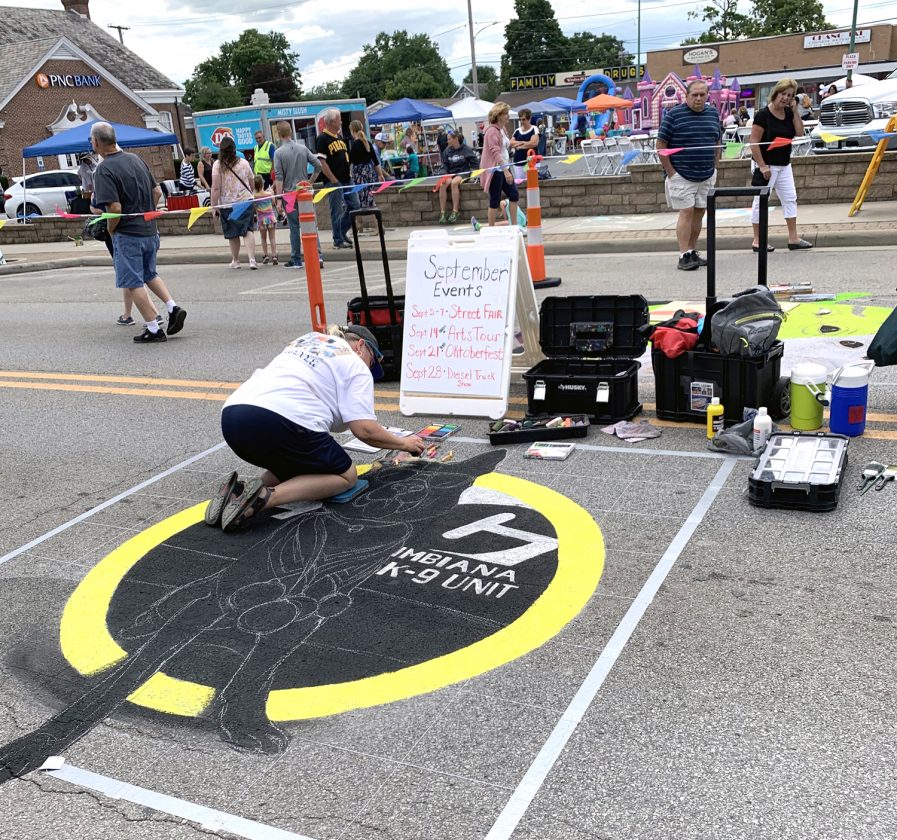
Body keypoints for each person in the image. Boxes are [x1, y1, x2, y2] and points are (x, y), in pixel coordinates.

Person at [205, 324, 427, 533]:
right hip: (282, 418)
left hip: (233, 417)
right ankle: (265, 497)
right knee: (346, 475)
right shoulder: (355, 363)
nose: (370, 370)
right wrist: (404, 443)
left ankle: (238, 493)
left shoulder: (308, 340)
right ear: (361, 346)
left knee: (297, 463)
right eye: (372, 362)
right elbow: (365, 430)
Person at [90, 121, 187, 344]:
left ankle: (153, 328)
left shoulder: (103, 169)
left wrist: (111, 230)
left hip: (128, 234)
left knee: (133, 282)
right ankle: (172, 308)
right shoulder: (136, 159)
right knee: (149, 273)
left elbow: (114, 208)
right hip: (149, 229)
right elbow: (156, 192)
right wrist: (147, 213)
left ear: (96, 142)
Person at [656, 79, 722, 271]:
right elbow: (661, 145)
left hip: (707, 173)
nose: (699, 98)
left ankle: (692, 250)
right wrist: (671, 172)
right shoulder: (674, 115)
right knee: (686, 212)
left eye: (703, 95)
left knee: (700, 212)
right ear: (686, 96)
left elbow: (717, 139)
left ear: (707, 95)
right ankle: (683, 254)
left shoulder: (712, 113)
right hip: (681, 173)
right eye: (695, 95)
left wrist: (716, 164)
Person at [749, 77, 813, 252]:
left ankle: (793, 238)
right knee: (761, 201)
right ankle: (757, 239)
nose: (785, 98)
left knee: (790, 198)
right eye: (783, 94)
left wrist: (795, 112)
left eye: (790, 95)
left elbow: (799, 133)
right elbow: (754, 143)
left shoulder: (789, 113)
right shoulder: (763, 115)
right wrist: (762, 166)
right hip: (766, 164)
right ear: (776, 94)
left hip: (784, 163)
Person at [272, 120, 323, 269]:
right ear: (290, 132)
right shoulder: (303, 148)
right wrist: (310, 182)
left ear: (279, 134)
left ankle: (296, 259)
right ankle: (317, 255)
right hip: (305, 192)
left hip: (289, 194)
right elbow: (318, 166)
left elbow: (279, 178)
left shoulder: (279, 153)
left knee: (294, 227)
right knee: (311, 226)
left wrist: (279, 198)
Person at [316, 108, 360, 250]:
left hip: (347, 179)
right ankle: (337, 239)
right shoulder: (322, 139)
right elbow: (322, 162)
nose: (341, 121)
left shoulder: (340, 137)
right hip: (334, 181)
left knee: (355, 205)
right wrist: (333, 179)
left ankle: (342, 231)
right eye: (339, 119)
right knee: (336, 210)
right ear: (332, 121)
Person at [211, 135, 258, 269]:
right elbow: (251, 182)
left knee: (233, 233)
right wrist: (249, 194)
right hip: (245, 201)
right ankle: (252, 259)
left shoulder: (218, 166)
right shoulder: (244, 163)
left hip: (228, 204)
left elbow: (215, 188)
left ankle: (236, 260)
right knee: (248, 230)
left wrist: (214, 206)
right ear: (234, 149)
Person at [473, 101, 519, 231]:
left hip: (505, 166)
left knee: (514, 194)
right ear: (498, 115)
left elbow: (505, 147)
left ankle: (514, 226)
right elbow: (495, 153)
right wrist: (506, 171)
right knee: (494, 200)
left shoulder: (503, 129)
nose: (508, 116)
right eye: (505, 114)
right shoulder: (491, 131)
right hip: (495, 170)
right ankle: (491, 230)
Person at [348, 119, 384, 235]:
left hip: (359, 175)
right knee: (368, 198)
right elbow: (375, 161)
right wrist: (380, 175)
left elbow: (350, 162)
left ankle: (377, 226)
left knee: (360, 200)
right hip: (369, 173)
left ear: (352, 131)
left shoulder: (355, 145)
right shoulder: (367, 142)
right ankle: (361, 224)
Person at [437, 129, 478, 224]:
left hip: (463, 172)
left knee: (454, 183)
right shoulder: (447, 150)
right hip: (451, 173)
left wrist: (474, 172)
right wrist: (444, 175)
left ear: (456, 139)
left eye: (449, 139)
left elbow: (474, 162)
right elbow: (444, 165)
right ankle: (442, 212)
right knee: (443, 184)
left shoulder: (466, 149)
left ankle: (455, 211)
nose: (447, 141)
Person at [253, 174, 278, 265]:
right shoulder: (269, 194)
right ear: (263, 184)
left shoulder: (254, 196)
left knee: (263, 238)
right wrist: (272, 193)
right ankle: (274, 256)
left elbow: (254, 206)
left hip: (261, 220)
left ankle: (265, 255)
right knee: (272, 238)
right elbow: (273, 202)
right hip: (270, 218)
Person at [511, 108, 540, 179]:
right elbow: (511, 143)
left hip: (531, 162)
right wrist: (523, 142)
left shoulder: (534, 129)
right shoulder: (517, 131)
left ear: (529, 118)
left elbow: (534, 143)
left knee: (532, 182)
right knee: (520, 183)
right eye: (520, 119)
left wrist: (519, 146)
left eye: (523, 119)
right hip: (518, 162)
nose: (521, 121)